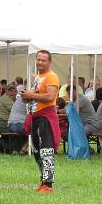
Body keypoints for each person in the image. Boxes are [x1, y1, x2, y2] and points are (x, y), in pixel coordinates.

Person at [21, 50, 60, 194]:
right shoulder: (38, 76)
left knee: (46, 150)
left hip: (46, 117)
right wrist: (26, 97)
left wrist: (32, 95)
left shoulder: (52, 77)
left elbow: (50, 97)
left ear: (49, 62)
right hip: (36, 116)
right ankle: (43, 181)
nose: (40, 62)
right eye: (38, 59)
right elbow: (36, 95)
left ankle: (48, 185)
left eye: (43, 60)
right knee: (37, 150)